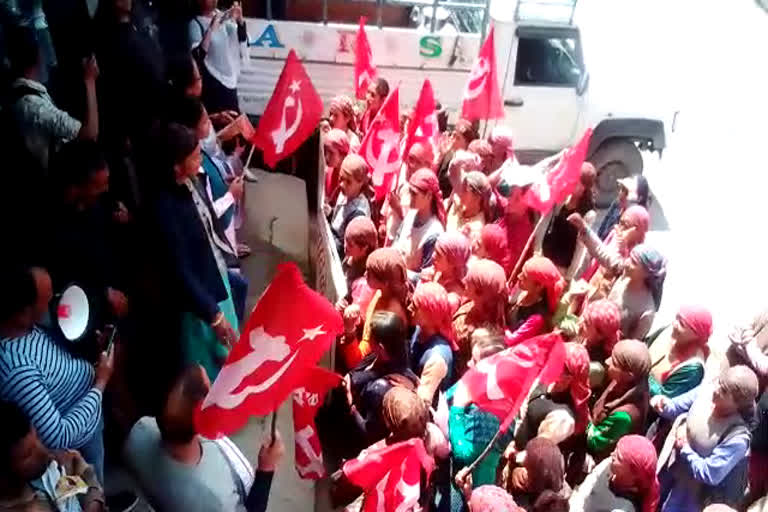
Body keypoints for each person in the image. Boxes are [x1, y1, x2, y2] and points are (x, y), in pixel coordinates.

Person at [0, 266, 114, 483]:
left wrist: (94, 347)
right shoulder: (18, 372)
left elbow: (56, 355)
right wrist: (100, 382)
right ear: (23, 313)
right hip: (80, 442)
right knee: (92, 482)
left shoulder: (29, 328)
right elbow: (58, 435)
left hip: (90, 410)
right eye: (47, 298)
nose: (56, 299)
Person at [123, 365, 284, 512]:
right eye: (211, 388)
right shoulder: (216, 501)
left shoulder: (139, 431)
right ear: (203, 418)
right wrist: (266, 471)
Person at [150, 123, 238, 380]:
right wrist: (213, 314)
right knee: (203, 370)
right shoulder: (165, 209)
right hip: (196, 304)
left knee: (228, 351)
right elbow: (180, 269)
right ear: (177, 166)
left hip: (215, 279)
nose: (201, 160)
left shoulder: (194, 181)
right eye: (196, 156)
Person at [45, 140, 131, 324]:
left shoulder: (99, 205)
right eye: (99, 186)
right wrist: (103, 294)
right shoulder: (49, 228)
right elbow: (61, 282)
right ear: (74, 188)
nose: (106, 189)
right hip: (82, 314)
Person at [654, 365, 759, 511]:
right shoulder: (706, 391)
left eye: (724, 391)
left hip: (693, 496)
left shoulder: (737, 438)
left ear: (737, 403)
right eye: (719, 383)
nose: (716, 390)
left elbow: (710, 473)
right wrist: (663, 403)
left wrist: (685, 448)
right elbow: (675, 407)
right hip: (671, 470)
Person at [5, 26, 98, 173]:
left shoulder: (23, 94)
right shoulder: (32, 105)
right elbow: (90, 133)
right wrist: (90, 81)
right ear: (38, 55)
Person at [571, 208, 666, 338]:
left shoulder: (646, 311)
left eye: (633, 262)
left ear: (646, 273)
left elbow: (631, 344)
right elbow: (604, 255)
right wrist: (584, 229)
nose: (627, 263)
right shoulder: (624, 274)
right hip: (589, 333)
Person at [448, 329, 514, 512]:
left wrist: (457, 410)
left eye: (474, 361)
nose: (468, 363)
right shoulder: (495, 390)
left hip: (474, 489)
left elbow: (465, 452)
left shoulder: (490, 412)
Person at [0, 400, 107, 512]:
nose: (46, 453)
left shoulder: (51, 467)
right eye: (28, 455)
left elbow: (80, 469)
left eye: (37, 438)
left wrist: (93, 501)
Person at [344, 312, 418, 450]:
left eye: (371, 336)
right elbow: (362, 369)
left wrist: (351, 405)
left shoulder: (381, 388)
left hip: (358, 446)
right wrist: (350, 376)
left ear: (381, 346)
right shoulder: (384, 354)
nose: (367, 338)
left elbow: (369, 433)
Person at [510, 343, 591, 456]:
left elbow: (537, 452)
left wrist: (514, 457)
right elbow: (525, 408)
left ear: (568, 378)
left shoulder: (563, 417)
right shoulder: (547, 379)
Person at [340, 248, 409, 370]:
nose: (365, 274)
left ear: (385, 282)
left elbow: (359, 361)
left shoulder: (390, 314)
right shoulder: (381, 293)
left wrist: (349, 330)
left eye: (370, 273)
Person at [569, 204, 650, 305]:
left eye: (625, 225)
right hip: (592, 289)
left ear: (637, 230)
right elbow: (601, 253)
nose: (619, 227)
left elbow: (616, 267)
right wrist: (584, 228)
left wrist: (623, 248)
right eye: (620, 222)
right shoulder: (615, 237)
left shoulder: (637, 257)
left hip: (606, 303)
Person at [586, 339, 651, 459]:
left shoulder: (624, 416)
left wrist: (581, 411)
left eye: (614, 363)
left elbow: (595, 442)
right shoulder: (623, 382)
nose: (607, 362)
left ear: (628, 376)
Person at [568, 434, 659, 512]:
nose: (612, 454)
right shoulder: (610, 464)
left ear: (632, 474)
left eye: (619, 458)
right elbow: (587, 485)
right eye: (616, 449)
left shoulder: (625, 508)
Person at [189, 0, 247, 113]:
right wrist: (211, 29)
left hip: (230, 83)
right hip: (212, 85)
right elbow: (197, 57)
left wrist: (240, 21)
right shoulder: (195, 24)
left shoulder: (224, 19)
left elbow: (242, 41)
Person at [540, 162, 597, 274]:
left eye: (576, 182)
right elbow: (547, 222)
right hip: (545, 257)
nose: (570, 183)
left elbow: (580, 249)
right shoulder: (562, 198)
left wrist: (569, 276)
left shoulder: (588, 214)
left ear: (584, 188)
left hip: (560, 268)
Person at [453, 259, 508, 373]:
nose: (464, 281)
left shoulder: (485, 335)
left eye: (469, 282)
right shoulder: (471, 303)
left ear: (479, 292)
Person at [393, 169, 446, 280]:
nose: (409, 197)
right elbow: (396, 244)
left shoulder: (434, 233)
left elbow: (425, 277)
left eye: (414, 194)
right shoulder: (410, 215)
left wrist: (398, 273)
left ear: (428, 196)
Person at [648, 305, 711, 398]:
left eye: (682, 323)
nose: (674, 324)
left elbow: (664, 398)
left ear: (696, 335)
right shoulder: (669, 331)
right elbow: (645, 344)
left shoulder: (692, 368)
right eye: (677, 318)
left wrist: (640, 371)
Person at [410, 282, 456, 404]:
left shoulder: (437, 359)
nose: (409, 308)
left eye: (415, 306)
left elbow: (421, 404)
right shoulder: (419, 330)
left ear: (429, 313)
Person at [385, 142, 435, 244]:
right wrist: (382, 223)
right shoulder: (401, 179)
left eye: (417, 162)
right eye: (410, 159)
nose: (411, 165)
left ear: (427, 165)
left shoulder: (426, 191)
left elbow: (417, 222)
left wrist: (398, 208)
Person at [500, 437, 570, 511]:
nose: (525, 472)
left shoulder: (548, 506)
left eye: (529, 470)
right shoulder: (553, 476)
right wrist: (513, 469)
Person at [507, 256, 565, 344]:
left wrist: (500, 326)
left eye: (525, 277)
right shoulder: (521, 291)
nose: (519, 276)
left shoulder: (537, 317)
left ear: (539, 286)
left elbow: (511, 340)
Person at [330, 154, 373, 258]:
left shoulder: (358, 213)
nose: (342, 185)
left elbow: (346, 249)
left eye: (348, 182)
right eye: (341, 179)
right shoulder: (345, 193)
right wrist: (329, 213)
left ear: (360, 183)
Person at [576, 299, 622, 389]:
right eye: (583, 317)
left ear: (600, 335)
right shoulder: (587, 337)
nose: (580, 323)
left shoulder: (595, 367)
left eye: (586, 323)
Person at [421, 231, 472, 313]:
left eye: (438, 254)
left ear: (452, 262)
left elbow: (433, 318)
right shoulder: (438, 272)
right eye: (435, 250)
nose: (433, 256)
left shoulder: (453, 296)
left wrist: (427, 286)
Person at [597, 175, 650, 240]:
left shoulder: (635, 223)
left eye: (625, 191)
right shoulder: (617, 205)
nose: (620, 194)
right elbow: (602, 228)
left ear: (637, 200)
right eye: (621, 188)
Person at [446, 171, 492, 245]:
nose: (460, 192)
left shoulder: (475, 231)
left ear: (477, 198)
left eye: (465, 189)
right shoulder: (457, 203)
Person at [726, 307, 768, 385]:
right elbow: (739, 328)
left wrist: (748, 347)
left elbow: (764, 367)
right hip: (729, 365)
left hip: (747, 386)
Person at [436, 119, 477, 196]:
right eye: (452, 135)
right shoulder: (447, 154)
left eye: (457, 138)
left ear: (467, 143)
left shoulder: (466, 165)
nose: (452, 139)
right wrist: (440, 155)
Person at [323, 128, 351, 203]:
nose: (326, 157)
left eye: (331, 153)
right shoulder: (328, 171)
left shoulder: (351, 179)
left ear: (343, 154)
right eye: (325, 151)